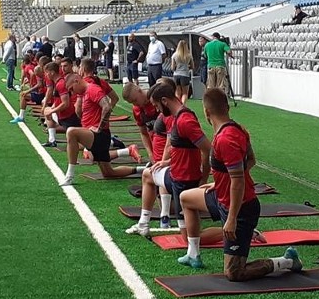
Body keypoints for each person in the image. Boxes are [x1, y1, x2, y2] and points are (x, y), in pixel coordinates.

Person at [178, 88, 302, 274]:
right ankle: (193, 254)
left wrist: (232, 219)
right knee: (186, 198)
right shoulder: (237, 130)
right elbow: (251, 161)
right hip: (222, 195)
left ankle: (287, 261)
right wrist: (221, 181)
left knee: (234, 273)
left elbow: (238, 182)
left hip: (240, 208)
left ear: (206, 112)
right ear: (227, 108)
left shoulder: (226, 139)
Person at [147, 82, 211, 240]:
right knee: (148, 175)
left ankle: (242, 233)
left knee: (191, 237)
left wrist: (203, 178)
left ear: (164, 101)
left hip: (186, 180)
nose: (157, 110)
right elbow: (182, 148)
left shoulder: (185, 120)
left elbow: (207, 149)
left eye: (157, 106)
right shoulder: (175, 117)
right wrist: (167, 162)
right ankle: (144, 222)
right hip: (175, 175)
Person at [61, 74, 147, 185]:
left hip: (99, 135)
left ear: (76, 81)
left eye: (72, 89)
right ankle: (143, 169)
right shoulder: (85, 93)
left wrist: (99, 127)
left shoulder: (92, 89)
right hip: (95, 136)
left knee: (71, 132)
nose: (73, 92)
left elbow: (107, 107)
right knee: (108, 172)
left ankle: (69, 175)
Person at [123, 78, 177, 233]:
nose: (135, 104)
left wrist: (166, 159)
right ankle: (163, 217)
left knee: (157, 181)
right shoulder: (140, 110)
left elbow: (171, 138)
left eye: (135, 100)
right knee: (157, 183)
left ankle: (161, 218)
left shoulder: (168, 110)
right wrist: (151, 154)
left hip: (169, 154)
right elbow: (144, 133)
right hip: (161, 151)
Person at [42, 61, 81, 147]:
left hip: (69, 116)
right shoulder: (58, 82)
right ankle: (52, 140)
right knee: (47, 111)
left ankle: (112, 141)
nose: (46, 75)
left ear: (52, 72)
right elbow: (59, 101)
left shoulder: (60, 84)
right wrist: (51, 109)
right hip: (63, 116)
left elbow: (65, 104)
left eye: (47, 73)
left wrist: (51, 111)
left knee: (85, 142)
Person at [171, 39, 194, 104]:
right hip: (185, 75)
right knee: (185, 93)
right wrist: (187, 67)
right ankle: (183, 105)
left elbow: (172, 67)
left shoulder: (174, 55)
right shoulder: (189, 55)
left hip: (176, 75)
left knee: (177, 93)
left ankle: (177, 105)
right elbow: (192, 67)